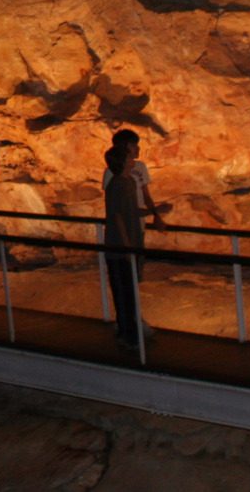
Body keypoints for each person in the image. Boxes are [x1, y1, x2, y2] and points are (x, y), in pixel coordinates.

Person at [104, 144, 147, 351]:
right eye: (130, 156)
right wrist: (127, 245)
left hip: (129, 243)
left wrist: (152, 212)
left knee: (129, 290)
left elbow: (129, 210)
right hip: (119, 247)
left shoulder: (128, 182)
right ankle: (128, 334)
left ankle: (130, 331)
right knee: (124, 291)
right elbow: (117, 216)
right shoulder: (117, 185)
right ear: (122, 162)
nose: (134, 158)